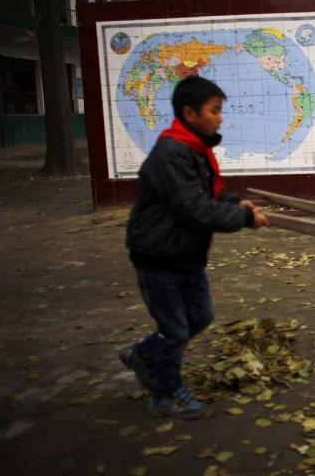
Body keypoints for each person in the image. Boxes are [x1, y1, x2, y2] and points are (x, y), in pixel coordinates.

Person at [119, 76, 269, 420]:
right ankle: (165, 395)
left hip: (184, 254)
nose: (220, 118)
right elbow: (192, 208)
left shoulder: (192, 149)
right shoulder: (172, 152)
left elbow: (206, 198)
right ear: (190, 113)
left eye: (220, 111)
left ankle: (143, 355)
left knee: (201, 317)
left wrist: (236, 204)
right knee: (175, 330)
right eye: (214, 111)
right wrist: (244, 220)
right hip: (159, 256)